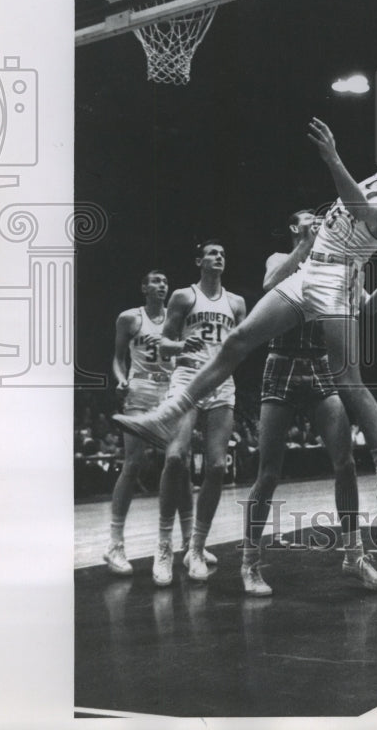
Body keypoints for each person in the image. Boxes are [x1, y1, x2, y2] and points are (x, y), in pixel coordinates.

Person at [114, 27, 377, 537]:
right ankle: (170, 413)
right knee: (237, 339)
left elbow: (360, 208)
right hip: (311, 270)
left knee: (348, 379)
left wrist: (333, 158)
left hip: (340, 279)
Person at [241, 209, 377, 595]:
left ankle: (354, 556)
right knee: (269, 471)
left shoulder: (341, 265)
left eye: (322, 219)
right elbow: (270, 282)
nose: (320, 221)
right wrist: (306, 245)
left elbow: (367, 308)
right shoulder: (280, 258)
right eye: (310, 219)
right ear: (295, 227)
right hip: (283, 363)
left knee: (346, 463)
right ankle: (250, 562)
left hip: (320, 365)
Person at [151, 240, 246, 585]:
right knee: (175, 458)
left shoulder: (236, 302)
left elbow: (243, 344)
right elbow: (164, 345)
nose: (219, 256)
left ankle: (196, 546)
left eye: (223, 252)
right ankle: (164, 545)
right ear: (199, 261)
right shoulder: (183, 296)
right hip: (188, 378)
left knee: (218, 466)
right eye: (212, 253)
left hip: (220, 383)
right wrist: (181, 345)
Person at [103, 270, 174, 576]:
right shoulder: (129, 318)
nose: (162, 285)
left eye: (165, 282)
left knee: (177, 465)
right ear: (144, 287)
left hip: (171, 394)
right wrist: (120, 380)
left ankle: (185, 545)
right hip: (139, 393)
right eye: (156, 281)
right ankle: (115, 544)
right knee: (133, 464)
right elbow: (118, 358)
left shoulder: (178, 317)